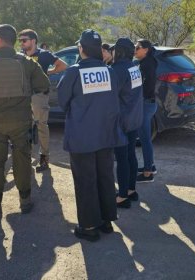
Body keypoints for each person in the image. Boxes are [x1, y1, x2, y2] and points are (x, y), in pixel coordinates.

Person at [0, 24, 50, 218]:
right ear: (13, 41)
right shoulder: (27, 62)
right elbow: (44, 85)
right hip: (20, 120)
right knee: (22, 159)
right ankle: (25, 200)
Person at [57, 29, 126, 241]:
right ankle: (106, 221)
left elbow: (63, 101)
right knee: (105, 177)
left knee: (86, 181)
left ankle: (88, 227)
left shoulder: (73, 72)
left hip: (82, 138)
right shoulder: (110, 72)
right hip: (106, 135)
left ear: (81, 48)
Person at [18, 29, 67, 172]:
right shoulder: (20, 56)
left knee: (41, 126)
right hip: (23, 97)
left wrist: (49, 72)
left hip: (39, 96)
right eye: (20, 40)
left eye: (24, 40)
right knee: (24, 127)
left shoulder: (44, 54)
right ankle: (25, 158)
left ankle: (44, 158)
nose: (21, 43)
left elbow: (62, 65)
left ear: (33, 41)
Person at [110, 38, 143, 208]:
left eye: (114, 49)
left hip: (122, 121)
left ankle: (122, 196)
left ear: (120, 51)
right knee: (130, 155)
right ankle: (131, 190)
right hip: (134, 119)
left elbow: (109, 95)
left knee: (122, 158)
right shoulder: (133, 67)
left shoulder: (118, 70)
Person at [134, 39, 158, 183]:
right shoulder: (147, 62)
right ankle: (151, 166)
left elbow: (147, 86)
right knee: (145, 138)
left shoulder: (147, 65)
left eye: (138, 47)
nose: (135, 49)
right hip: (149, 103)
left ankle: (148, 173)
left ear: (146, 50)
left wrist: (136, 96)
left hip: (146, 104)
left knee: (144, 139)